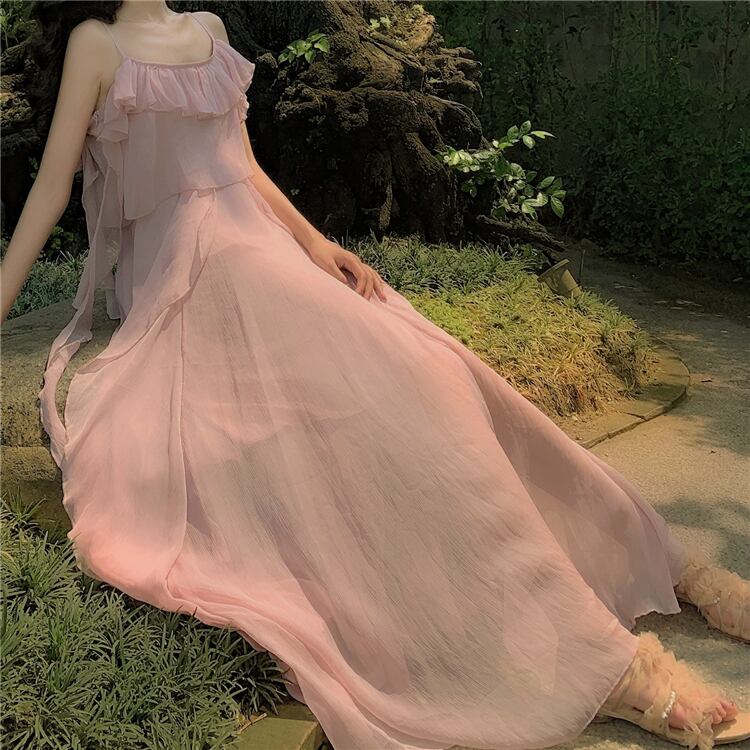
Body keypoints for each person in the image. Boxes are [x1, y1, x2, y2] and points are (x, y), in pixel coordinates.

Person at [1, 2, 748, 748]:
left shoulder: (210, 31)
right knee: (371, 393)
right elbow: (51, 188)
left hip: (258, 248)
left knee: (434, 368)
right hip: (187, 273)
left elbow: (242, 167)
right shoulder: (98, 44)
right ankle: (606, 667)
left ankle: (645, 554)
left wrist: (314, 244)